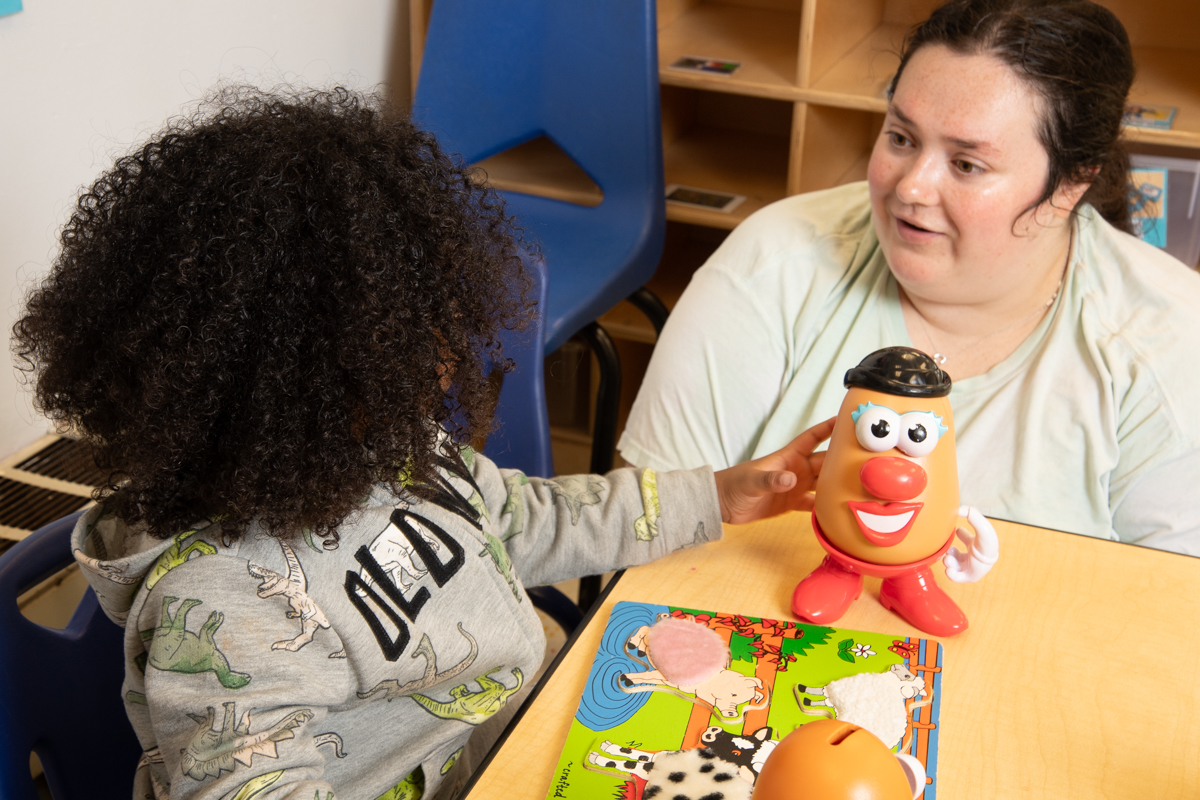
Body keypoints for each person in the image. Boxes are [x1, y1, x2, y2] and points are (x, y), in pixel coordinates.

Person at [11, 87, 834, 800]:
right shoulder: (232, 610)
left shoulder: (387, 449)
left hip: (496, 745)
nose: (445, 358)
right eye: (403, 342)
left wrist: (715, 495)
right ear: (283, 384)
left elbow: (516, 518)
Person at [619, 0, 1200, 553]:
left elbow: (1165, 603)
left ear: (1070, 185)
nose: (911, 187)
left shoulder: (1170, 337)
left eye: (967, 164)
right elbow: (643, 528)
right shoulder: (774, 260)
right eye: (901, 138)